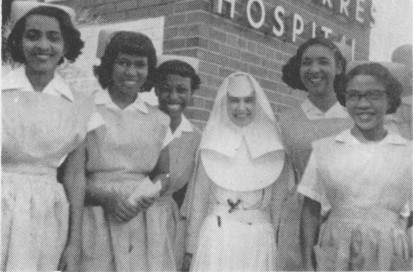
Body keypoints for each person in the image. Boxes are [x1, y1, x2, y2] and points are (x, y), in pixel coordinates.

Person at [2, 0, 102, 271]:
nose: (43, 46)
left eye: (53, 37)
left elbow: (74, 176)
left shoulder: (78, 104)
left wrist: (74, 242)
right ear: (19, 41)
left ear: (66, 45)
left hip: (48, 212)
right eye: (32, 36)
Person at [299, 62, 412, 271]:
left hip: (389, 253)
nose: (363, 104)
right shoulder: (326, 149)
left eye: (373, 95)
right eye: (354, 95)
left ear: (389, 100)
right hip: (337, 248)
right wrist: (307, 264)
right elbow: (311, 212)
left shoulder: (408, 153)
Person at [80, 30, 172, 271]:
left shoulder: (159, 119)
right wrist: (105, 197)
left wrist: (149, 192)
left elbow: (163, 173)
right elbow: (71, 174)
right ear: (109, 65)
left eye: (140, 65)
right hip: (96, 214)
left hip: (141, 218)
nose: (131, 72)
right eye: (123, 63)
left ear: (149, 70)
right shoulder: (85, 108)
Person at [183, 72, 288, 271]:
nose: (241, 108)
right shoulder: (211, 142)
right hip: (217, 237)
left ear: (257, 103)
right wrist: (190, 248)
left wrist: (274, 246)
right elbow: (198, 200)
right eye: (234, 101)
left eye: (248, 100)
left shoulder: (274, 145)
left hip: (259, 239)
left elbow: (278, 204)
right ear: (225, 102)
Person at [277, 36, 352, 270]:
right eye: (306, 63)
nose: (314, 69)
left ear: (338, 68)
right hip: (295, 219)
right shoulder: (284, 121)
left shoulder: (353, 121)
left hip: (341, 218)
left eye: (323, 62)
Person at [145, 55, 202, 270]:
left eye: (182, 90)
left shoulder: (196, 138)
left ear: (191, 93)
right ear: (157, 90)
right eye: (166, 88)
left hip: (167, 223)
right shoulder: (144, 120)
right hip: (133, 214)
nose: (173, 96)